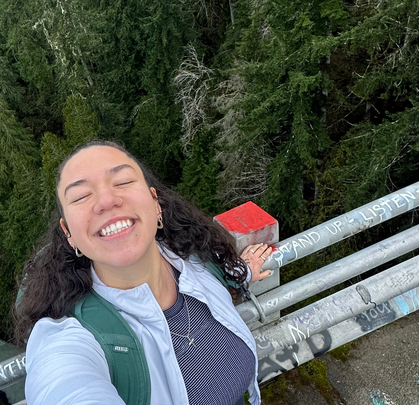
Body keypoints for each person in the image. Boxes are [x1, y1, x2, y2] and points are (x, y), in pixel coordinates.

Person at [15, 140, 273, 405]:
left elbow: (219, 274)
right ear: (69, 233)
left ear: (155, 203)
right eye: (81, 196)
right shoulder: (74, 339)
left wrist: (243, 272)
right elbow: (64, 386)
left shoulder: (196, 259)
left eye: (123, 181)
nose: (106, 201)